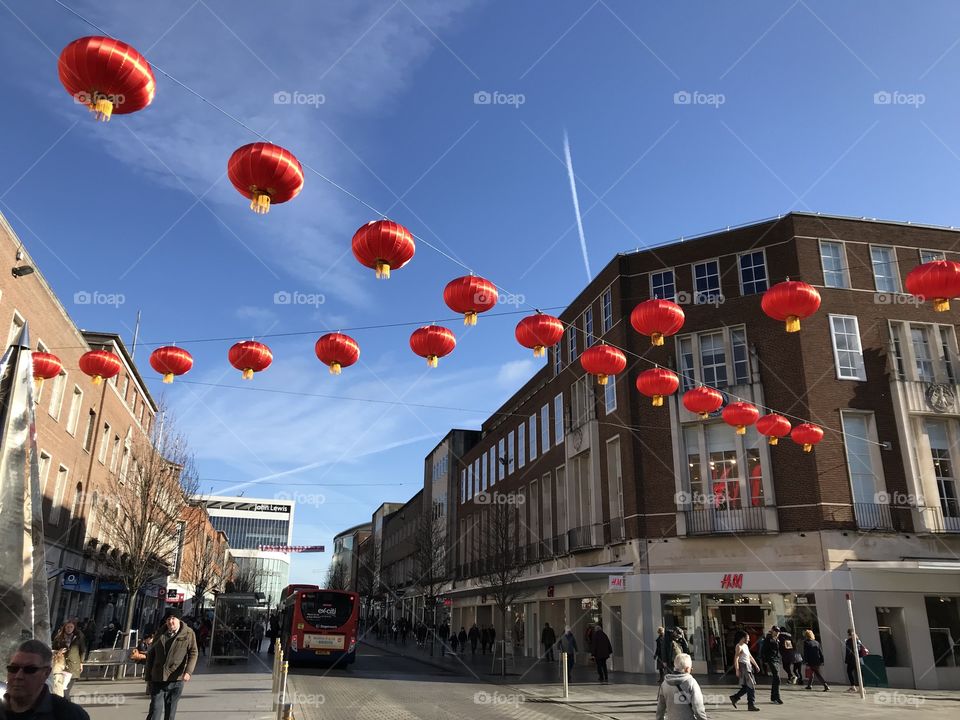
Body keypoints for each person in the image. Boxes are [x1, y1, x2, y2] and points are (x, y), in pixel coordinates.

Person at [2, 639, 90, 719]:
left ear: (46, 673)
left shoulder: (71, 715)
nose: (18, 676)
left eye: (30, 670)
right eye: (13, 668)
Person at [145, 608, 199, 720]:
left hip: (176, 678)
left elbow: (193, 653)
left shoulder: (188, 633)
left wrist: (188, 672)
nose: (170, 621)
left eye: (173, 618)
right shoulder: (160, 633)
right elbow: (151, 655)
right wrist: (148, 676)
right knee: (155, 711)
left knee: (170, 713)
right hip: (158, 677)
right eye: (168, 619)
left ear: (179, 620)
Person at [656, 652, 709, 720]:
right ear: (687, 669)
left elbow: (660, 707)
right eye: (691, 669)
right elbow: (698, 707)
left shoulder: (665, 683)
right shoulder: (691, 682)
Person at [50, 620, 86, 698]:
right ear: (64, 627)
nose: (69, 629)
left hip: (73, 666)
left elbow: (82, 650)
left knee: (65, 691)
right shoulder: (59, 637)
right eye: (67, 627)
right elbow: (52, 649)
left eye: (71, 627)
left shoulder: (78, 637)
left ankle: (68, 708)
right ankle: (63, 707)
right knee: (59, 690)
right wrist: (58, 651)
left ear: (74, 628)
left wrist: (81, 663)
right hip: (60, 665)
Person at [729, 629, 760, 711]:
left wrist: (756, 665)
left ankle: (735, 697)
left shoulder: (745, 646)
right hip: (743, 667)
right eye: (747, 638)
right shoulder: (738, 646)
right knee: (751, 686)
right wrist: (737, 670)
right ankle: (751, 705)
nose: (749, 639)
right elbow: (736, 658)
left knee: (747, 687)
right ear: (743, 638)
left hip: (748, 666)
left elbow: (750, 656)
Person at [761, 626, 783, 704]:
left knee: (775, 679)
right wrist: (765, 661)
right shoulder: (768, 640)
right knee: (777, 678)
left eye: (778, 631)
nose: (777, 633)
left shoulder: (778, 640)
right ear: (772, 631)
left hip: (776, 660)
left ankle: (773, 697)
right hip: (771, 660)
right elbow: (763, 651)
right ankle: (777, 697)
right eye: (775, 631)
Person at [844, 629, 867, 693]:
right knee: (859, 673)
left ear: (848, 634)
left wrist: (847, 660)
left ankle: (853, 686)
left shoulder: (849, 641)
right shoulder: (858, 640)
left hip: (852, 659)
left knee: (849, 672)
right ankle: (862, 687)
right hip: (858, 659)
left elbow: (848, 651)